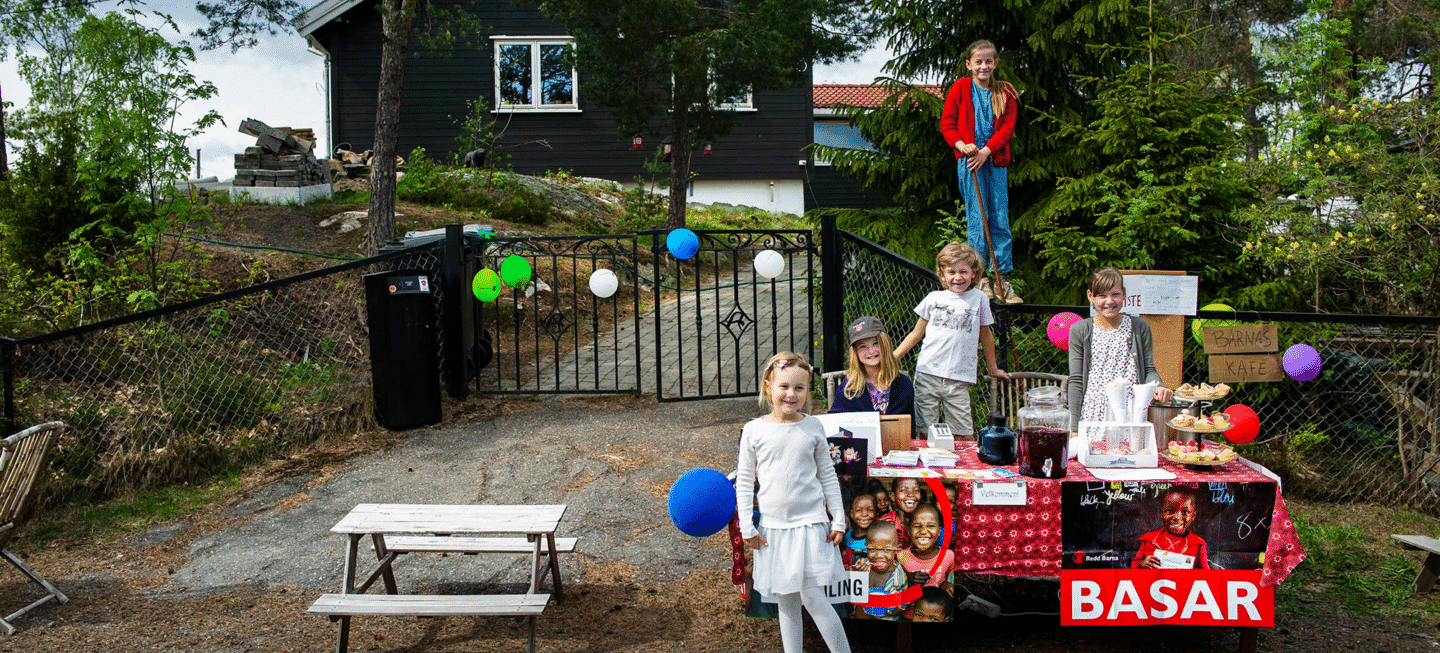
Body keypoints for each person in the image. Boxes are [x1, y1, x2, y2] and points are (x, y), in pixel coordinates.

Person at [734, 351, 852, 653]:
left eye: (799, 388)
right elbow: (745, 482)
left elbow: (827, 476)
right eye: (784, 386)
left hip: (810, 526)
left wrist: (838, 518)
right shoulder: (754, 431)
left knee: (813, 597)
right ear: (768, 386)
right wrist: (747, 526)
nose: (791, 394)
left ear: (807, 392)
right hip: (773, 530)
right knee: (786, 602)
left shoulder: (812, 427)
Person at [895, 241, 1011, 437]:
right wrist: (893, 357)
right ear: (942, 274)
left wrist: (992, 367)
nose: (958, 277)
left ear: (974, 273)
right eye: (951, 272)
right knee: (925, 433)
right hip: (928, 374)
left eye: (963, 271)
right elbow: (916, 333)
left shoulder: (980, 298)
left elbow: (986, 335)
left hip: (958, 379)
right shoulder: (933, 298)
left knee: (963, 435)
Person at [940, 38, 1022, 304]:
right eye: (978, 62)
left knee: (999, 215)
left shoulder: (1005, 91)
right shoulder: (961, 88)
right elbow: (948, 123)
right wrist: (962, 145)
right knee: (978, 217)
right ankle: (981, 277)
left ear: (995, 63)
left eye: (988, 61)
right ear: (969, 65)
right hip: (970, 163)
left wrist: (987, 151)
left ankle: (1002, 279)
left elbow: (1006, 129)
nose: (983, 66)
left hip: (994, 163)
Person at [1066, 266, 1174, 432]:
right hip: (1092, 416)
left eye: (1115, 294)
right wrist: (1073, 428)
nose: (1109, 301)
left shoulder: (1139, 327)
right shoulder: (1080, 330)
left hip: (1130, 414)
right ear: (1090, 296)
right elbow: (1076, 381)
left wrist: (1158, 386)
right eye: (1102, 295)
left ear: (1124, 294)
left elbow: (1149, 369)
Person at [830, 316, 915, 437]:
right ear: (855, 353)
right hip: (860, 453)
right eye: (862, 346)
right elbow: (835, 429)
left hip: (897, 450)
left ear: (885, 345)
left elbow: (910, 431)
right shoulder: (848, 390)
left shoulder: (903, 384)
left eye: (876, 344)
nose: (871, 351)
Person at [1132, 486, 1212, 569]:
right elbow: (1134, 565)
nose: (1177, 517)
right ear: (1161, 513)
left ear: (1193, 516)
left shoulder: (1198, 545)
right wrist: (1141, 564)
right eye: (1170, 511)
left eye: (1185, 512)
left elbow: (1206, 573)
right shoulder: (1149, 540)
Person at [897, 504, 957, 595]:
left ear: (938, 531)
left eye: (931, 526)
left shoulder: (948, 556)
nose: (924, 531)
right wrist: (907, 578)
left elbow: (954, 582)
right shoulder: (900, 557)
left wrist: (946, 584)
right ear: (909, 531)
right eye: (917, 526)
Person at [856, 521, 908, 620]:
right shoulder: (860, 566)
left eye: (887, 550)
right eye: (872, 550)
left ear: (897, 549)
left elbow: (903, 605)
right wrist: (856, 576)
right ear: (866, 547)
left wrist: (891, 612)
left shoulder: (900, 578)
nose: (879, 556)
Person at [842, 494, 877, 570]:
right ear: (852, 514)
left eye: (870, 510)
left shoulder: (878, 536)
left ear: (876, 513)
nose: (864, 514)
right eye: (858, 510)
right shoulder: (847, 536)